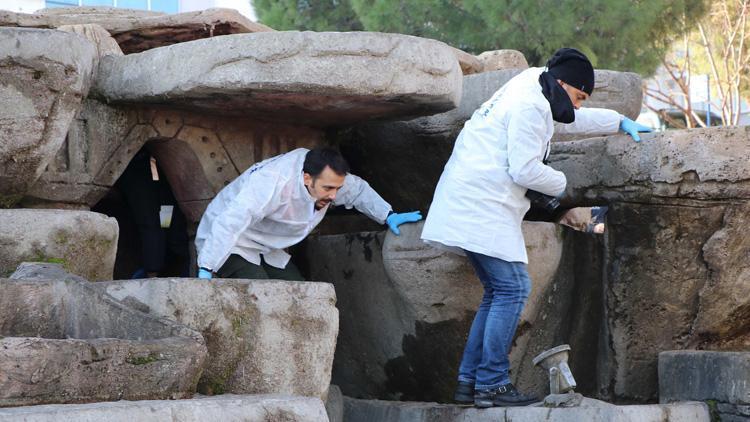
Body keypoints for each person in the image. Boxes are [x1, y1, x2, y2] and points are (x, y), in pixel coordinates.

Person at [420, 47, 651, 408]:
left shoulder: (533, 84)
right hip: (481, 205)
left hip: (472, 201)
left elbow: (570, 119)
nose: (577, 106)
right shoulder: (531, 105)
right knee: (512, 289)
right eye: (578, 96)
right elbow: (524, 170)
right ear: (562, 84)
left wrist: (618, 121)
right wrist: (565, 186)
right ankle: (492, 384)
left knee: (499, 291)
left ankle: (470, 382)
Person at [195, 147, 422, 280]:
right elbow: (229, 223)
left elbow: (358, 191)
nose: (334, 196)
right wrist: (206, 268)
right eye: (328, 189)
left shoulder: (328, 178)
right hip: (231, 242)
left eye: (338, 188)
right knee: (261, 295)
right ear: (306, 178)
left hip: (268, 247)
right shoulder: (271, 182)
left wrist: (388, 214)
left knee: (302, 293)